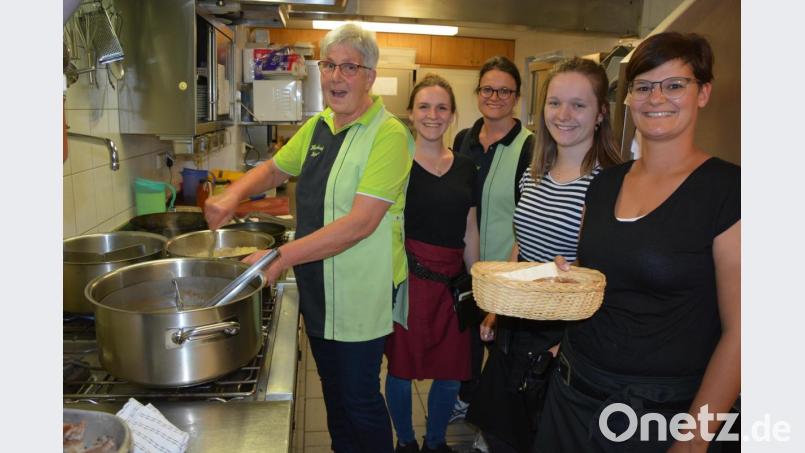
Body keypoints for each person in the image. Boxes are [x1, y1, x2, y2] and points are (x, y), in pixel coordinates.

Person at [204, 23, 415, 453]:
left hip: (361, 291)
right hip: (320, 287)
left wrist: (280, 256)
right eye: (329, 65)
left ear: (370, 76)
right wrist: (232, 195)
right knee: (334, 396)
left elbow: (359, 224)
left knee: (359, 400)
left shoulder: (389, 135)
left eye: (349, 68)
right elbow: (275, 168)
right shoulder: (320, 125)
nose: (336, 77)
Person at [533, 32, 740, 452]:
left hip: (658, 415)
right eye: (643, 87)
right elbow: (607, 279)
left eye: (674, 85)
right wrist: (572, 287)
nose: (655, 97)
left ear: (703, 93)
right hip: (573, 394)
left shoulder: (729, 190)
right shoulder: (605, 184)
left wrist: (694, 440)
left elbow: (745, 331)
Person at [466, 57, 622, 453]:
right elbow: (523, 245)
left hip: (562, 339)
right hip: (516, 327)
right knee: (502, 434)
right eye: (555, 103)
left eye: (578, 104)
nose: (563, 115)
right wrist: (498, 307)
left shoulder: (608, 182)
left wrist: (566, 344)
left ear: (601, 113)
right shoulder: (536, 171)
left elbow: (606, 275)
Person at [384, 74, 480, 453]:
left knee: (452, 371)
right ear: (410, 112)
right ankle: (406, 442)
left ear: (453, 114)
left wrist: (475, 282)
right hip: (408, 279)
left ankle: (435, 441)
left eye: (442, 107)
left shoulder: (467, 167)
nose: (433, 115)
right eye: (424, 106)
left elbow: (469, 227)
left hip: (453, 281)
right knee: (401, 369)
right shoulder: (395, 165)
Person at [449, 56, 535, 429]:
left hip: (506, 269)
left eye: (504, 90)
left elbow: (530, 214)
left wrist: (513, 273)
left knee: (501, 349)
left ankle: (496, 424)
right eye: (488, 89)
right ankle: (466, 399)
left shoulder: (530, 146)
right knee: (467, 341)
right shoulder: (463, 139)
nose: (495, 96)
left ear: (515, 96)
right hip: (467, 266)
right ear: (478, 92)